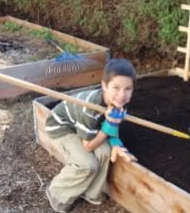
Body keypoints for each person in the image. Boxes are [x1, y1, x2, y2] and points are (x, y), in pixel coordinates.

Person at [45, 58, 137, 212]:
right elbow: (88, 146)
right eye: (116, 88)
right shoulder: (91, 107)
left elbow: (112, 129)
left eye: (128, 89)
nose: (122, 94)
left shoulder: (121, 105)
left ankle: (91, 193)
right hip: (64, 126)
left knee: (106, 152)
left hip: (87, 128)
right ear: (104, 85)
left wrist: (117, 144)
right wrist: (106, 128)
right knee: (87, 164)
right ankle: (57, 193)